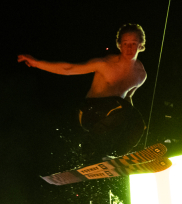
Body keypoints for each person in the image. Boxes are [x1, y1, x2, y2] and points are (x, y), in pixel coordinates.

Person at [18, 24, 148, 161]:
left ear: (140, 45)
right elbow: (68, 69)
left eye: (133, 44)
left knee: (138, 123)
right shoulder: (105, 64)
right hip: (88, 112)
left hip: (111, 116)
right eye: (125, 43)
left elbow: (128, 97)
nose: (129, 48)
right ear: (119, 45)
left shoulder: (140, 75)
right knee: (125, 110)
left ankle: (117, 156)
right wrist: (36, 62)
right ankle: (88, 150)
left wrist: (133, 123)